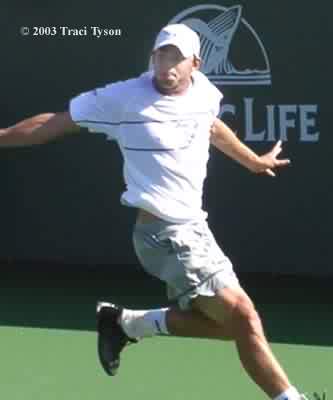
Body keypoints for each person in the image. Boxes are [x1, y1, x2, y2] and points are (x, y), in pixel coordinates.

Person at [0, 24, 324, 400]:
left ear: (196, 64)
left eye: (176, 57)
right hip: (163, 235)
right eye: (160, 55)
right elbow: (55, 122)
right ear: (152, 57)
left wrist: (251, 160)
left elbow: (211, 126)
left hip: (196, 231)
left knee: (233, 325)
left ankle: (127, 323)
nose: (166, 64)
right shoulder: (124, 99)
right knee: (245, 318)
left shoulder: (204, 93)